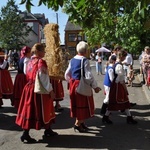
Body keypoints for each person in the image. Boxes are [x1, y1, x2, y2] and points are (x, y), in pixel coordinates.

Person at [15, 43, 57, 143]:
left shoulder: (29, 61)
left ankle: (47, 129)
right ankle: (26, 134)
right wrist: (50, 90)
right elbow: (44, 78)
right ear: (38, 51)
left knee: (30, 110)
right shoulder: (41, 62)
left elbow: (27, 73)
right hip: (38, 90)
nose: (44, 52)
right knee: (42, 109)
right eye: (43, 51)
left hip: (29, 88)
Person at [65, 41, 101, 132]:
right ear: (85, 51)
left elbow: (67, 74)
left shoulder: (72, 60)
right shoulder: (84, 60)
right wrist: (95, 86)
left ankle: (81, 122)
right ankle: (77, 124)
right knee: (83, 104)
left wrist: (70, 81)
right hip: (81, 85)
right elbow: (88, 75)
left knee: (77, 105)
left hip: (74, 84)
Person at [102, 49, 137, 124]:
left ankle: (129, 117)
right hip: (118, 86)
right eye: (124, 57)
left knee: (124, 102)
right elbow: (121, 79)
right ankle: (105, 117)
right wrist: (125, 88)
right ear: (121, 56)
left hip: (117, 86)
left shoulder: (117, 64)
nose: (125, 58)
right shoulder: (119, 66)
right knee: (116, 102)